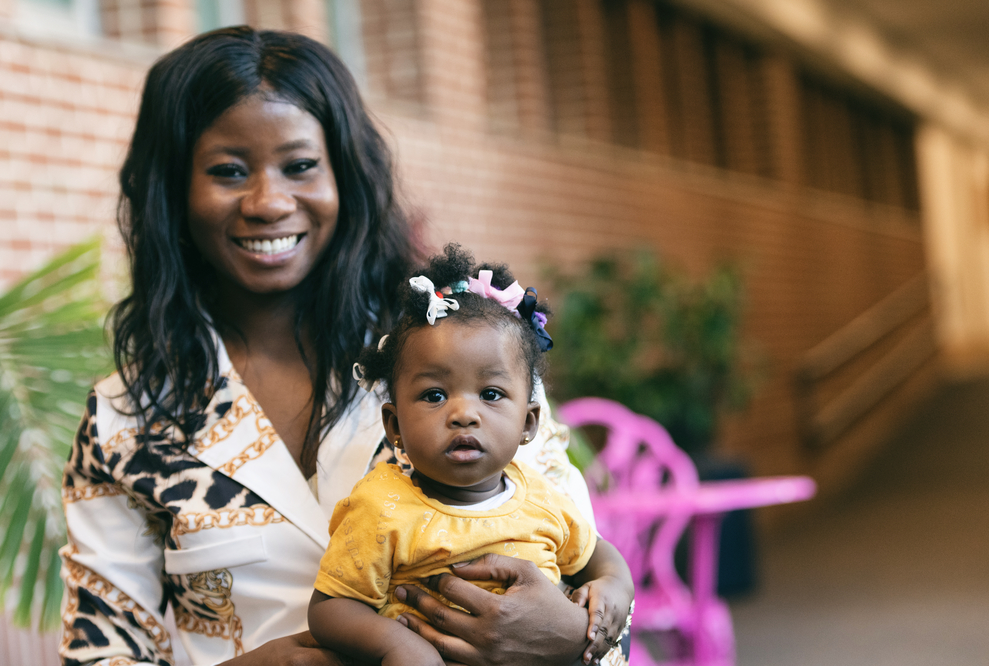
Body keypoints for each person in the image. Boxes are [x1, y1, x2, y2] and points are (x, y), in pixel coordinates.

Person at [59, 26, 625, 666]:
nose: (268, 202)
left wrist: (575, 643)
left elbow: (597, 596)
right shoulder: (126, 420)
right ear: (173, 191)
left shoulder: (464, 361)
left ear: (344, 177)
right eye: (228, 171)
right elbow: (98, 656)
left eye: (300, 165)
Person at [307, 246, 634, 666]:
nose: (463, 413)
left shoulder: (543, 497)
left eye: (491, 394)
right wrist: (394, 644)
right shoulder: (379, 507)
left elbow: (597, 556)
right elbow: (329, 608)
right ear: (394, 426)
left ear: (529, 423)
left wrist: (614, 586)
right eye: (435, 395)